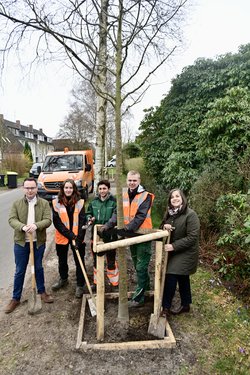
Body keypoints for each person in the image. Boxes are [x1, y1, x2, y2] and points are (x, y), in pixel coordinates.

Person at [103, 170, 154, 307]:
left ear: (139, 181)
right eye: (130, 180)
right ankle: (146, 289)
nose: (132, 183)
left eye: (134, 180)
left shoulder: (146, 196)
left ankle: (138, 298)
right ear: (127, 181)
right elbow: (116, 213)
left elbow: (140, 217)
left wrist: (125, 229)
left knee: (141, 266)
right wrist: (108, 225)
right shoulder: (124, 196)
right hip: (131, 236)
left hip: (143, 235)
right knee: (138, 264)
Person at [5, 177, 53, 314]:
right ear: (23, 188)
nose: (30, 190)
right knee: (20, 270)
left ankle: (42, 292)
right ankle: (15, 298)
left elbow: (48, 220)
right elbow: (11, 219)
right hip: (21, 243)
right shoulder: (17, 204)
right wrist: (22, 227)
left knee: (38, 267)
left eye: (32, 187)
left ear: (36, 188)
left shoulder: (43, 203)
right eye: (27, 188)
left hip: (38, 243)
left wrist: (36, 226)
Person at [160, 188, 200, 316]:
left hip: (187, 252)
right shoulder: (170, 214)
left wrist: (173, 246)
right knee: (183, 276)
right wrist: (164, 227)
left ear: (182, 198)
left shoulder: (190, 215)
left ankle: (165, 307)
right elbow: (161, 229)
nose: (175, 199)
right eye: (172, 197)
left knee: (171, 274)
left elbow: (193, 237)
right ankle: (186, 305)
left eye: (177, 196)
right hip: (175, 251)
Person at [51, 179, 86, 298]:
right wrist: (70, 235)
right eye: (66, 188)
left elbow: (82, 221)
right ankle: (63, 279)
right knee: (62, 260)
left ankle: (80, 285)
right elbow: (57, 223)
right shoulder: (56, 203)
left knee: (79, 261)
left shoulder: (80, 203)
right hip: (62, 237)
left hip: (78, 237)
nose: (68, 190)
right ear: (62, 189)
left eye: (70, 188)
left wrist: (79, 238)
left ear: (74, 189)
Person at [86, 179, 119, 288]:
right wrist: (90, 218)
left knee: (111, 259)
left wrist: (108, 225)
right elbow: (88, 213)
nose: (102, 191)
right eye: (100, 189)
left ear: (108, 189)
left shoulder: (114, 202)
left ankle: (114, 282)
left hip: (110, 235)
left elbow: (116, 217)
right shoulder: (94, 202)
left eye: (104, 188)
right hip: (96, 235)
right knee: (96, 260)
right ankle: (97, 282)